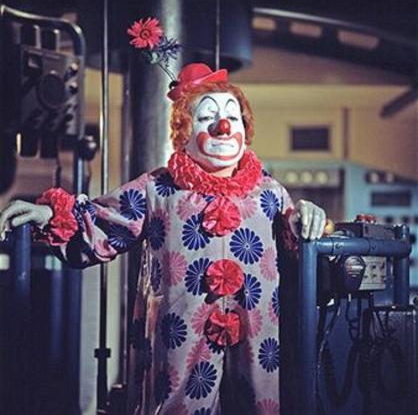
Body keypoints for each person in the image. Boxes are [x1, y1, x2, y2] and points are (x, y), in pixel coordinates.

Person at [0, 63, 326, 415]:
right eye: (206, 118)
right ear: (183, 131)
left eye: (233, 117)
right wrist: (51, 214)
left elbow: (294, 247)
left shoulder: (270, 192)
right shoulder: (158, 188)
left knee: (258, 403)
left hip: (256, 338)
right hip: (179, 337)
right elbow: (104, 220)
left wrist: (306, 219)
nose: (223, 126)